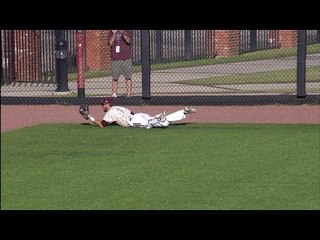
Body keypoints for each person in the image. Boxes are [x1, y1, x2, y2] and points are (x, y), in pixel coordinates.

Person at [79, 97, 197, 129]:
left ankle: (161, 119)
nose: (102, 106)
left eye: (103, 104)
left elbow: (102, 125)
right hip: (139, 115)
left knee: (161, 124)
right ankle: (183, 112)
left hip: (134, 121)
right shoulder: (118, 107)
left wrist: (89, 117)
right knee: (158, 120)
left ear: (107, 105)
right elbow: (131, 112)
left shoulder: (110, 113)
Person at [108, 30, 133, 97]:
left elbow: (129, 41)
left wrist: (123, 33)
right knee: (115, 78)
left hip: (126, 58)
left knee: (128, 77)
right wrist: (114, 33)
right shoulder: (111, 32)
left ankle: (129, 94)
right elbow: (110, 43)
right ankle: (114, 94)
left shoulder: (128, 31)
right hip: (115, 58)